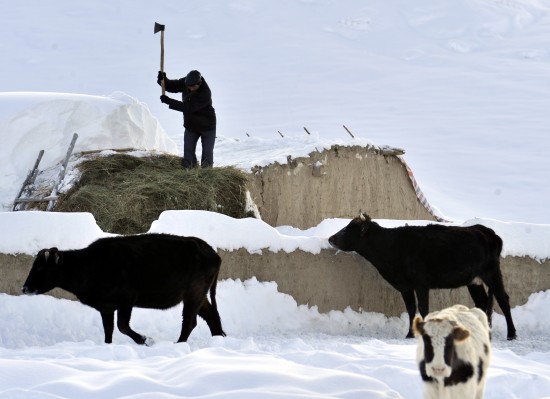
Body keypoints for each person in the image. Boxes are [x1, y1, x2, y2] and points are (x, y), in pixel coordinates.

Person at [157, 69, 216, 168]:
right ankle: (190, 171)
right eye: (188, 87)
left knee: (207, 153)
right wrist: (163, 80)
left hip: (207, 126)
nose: (190, 88)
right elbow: (172, 86)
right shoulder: (187, 82)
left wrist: (169, 101)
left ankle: (207, 175)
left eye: (193, 87)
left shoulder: (205, 93)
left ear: (199, 83)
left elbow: (188, 107)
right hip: (191, 125)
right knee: (188, 151)